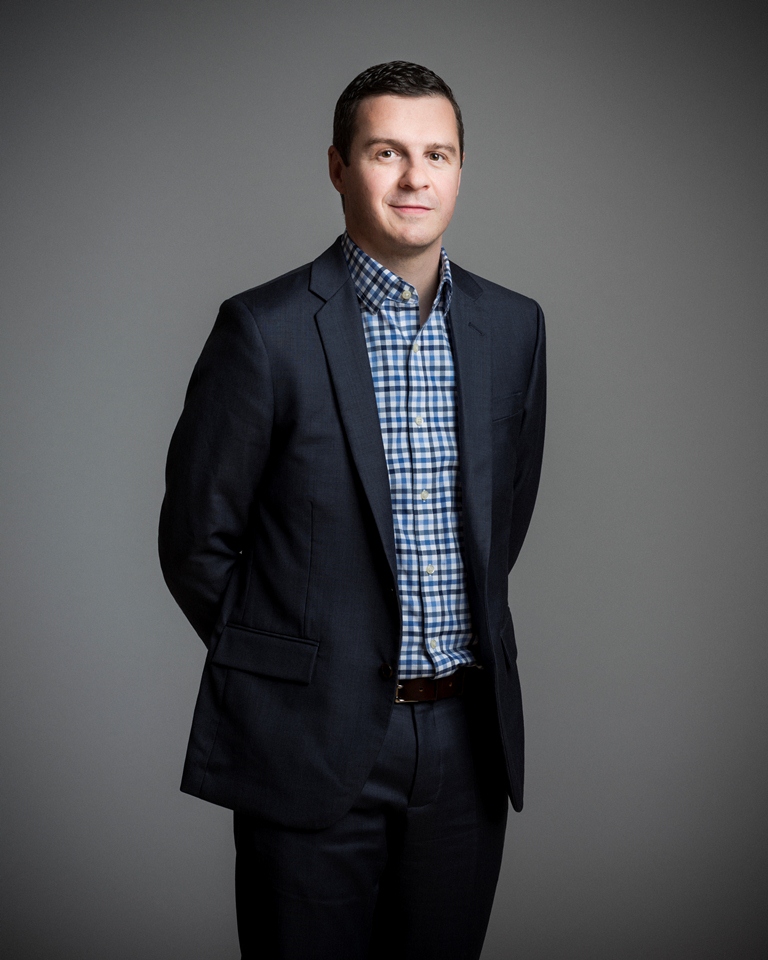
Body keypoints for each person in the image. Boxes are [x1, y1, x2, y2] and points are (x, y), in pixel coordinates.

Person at [159, 60, 546, 960]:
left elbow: (505, 518)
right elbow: (195, 542)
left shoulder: (514, 326)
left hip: (466, 746)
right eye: (386, 152)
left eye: (437, 154)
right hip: (308, 745)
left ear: (460, 169)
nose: (416, 178)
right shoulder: (264, 331)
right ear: (338, 166)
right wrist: (297, 668)